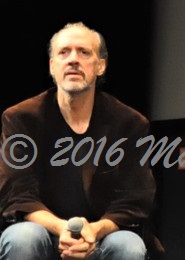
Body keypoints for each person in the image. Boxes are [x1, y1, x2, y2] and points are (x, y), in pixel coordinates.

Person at [0, 22, 162, 259]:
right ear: (52, 66)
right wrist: (62, 228)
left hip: (100, 236)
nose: (73, 59)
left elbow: (134, 199)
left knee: (128, 245)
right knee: (23, 237)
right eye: (64, 52)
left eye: (84, 52)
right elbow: (17, 195)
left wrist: (94, 231)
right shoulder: (21, 118)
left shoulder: (130, 123)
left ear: (101, 66)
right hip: (42, 232)